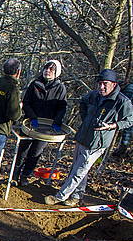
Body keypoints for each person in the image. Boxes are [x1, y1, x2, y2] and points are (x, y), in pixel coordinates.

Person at [46, 69, 133, 206]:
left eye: (105, 84)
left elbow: (129, 120)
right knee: (78, 169)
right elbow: (82, 103)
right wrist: (86, 119)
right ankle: (76, 196)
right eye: (99, 84)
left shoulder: (122, 101)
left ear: (114, 84)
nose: (101, 87)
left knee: (79, 172)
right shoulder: (94, 95)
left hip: (97, 143)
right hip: (82, 137)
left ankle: (60, 197)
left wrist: (111, 126)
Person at [14, 60, 67, 186]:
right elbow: (26, 102)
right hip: (31, 124)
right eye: (46, 69)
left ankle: (25, 175)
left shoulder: (60, 88)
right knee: (22, 150)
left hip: (46, 128)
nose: (47, 72)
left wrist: (57, 121)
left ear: (56, 73)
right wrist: (32, 117)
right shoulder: (35, 84)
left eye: (51, 70)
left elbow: (62, 107)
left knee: (35, 153)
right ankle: (15, 174)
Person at [112, 81, 133, 160]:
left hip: (129, 116)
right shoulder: (128, 89)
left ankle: (122, 150)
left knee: (127, 130)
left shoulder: (128, 91)